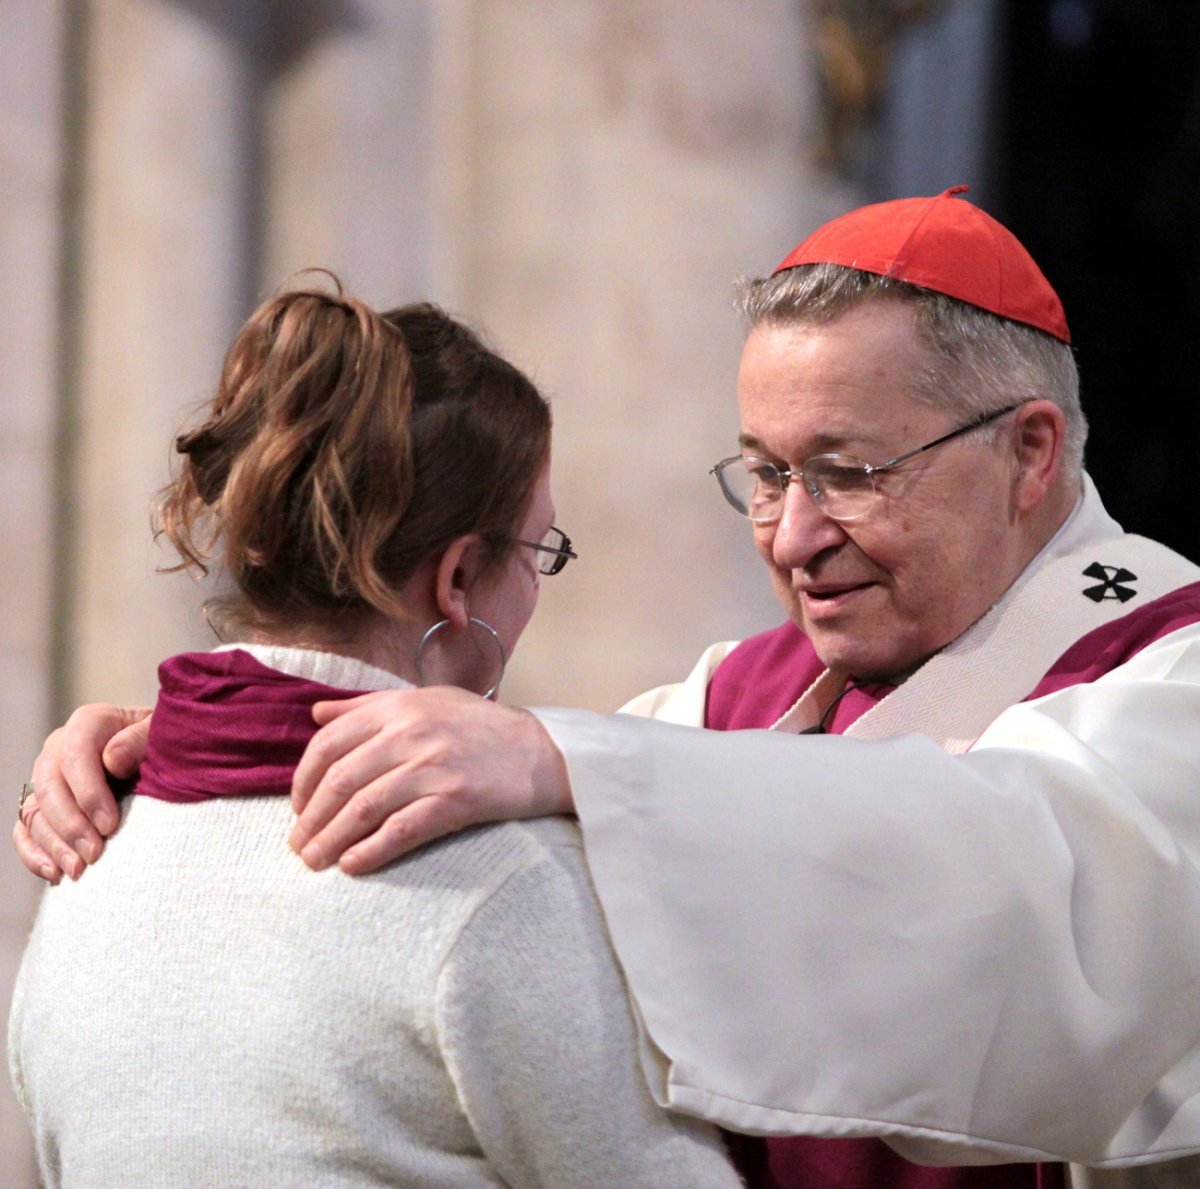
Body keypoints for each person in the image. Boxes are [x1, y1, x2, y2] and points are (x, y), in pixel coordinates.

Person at [19, 191, 1200, 1188]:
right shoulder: (741, 700)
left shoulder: (1167, 666)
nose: (793, 538)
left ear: (1031, 451)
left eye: (846, 474)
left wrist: (566, 760)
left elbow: (1038, 881)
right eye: (763, 474)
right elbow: (488, 781)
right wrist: (188, 740)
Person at [8, 279, 743, 1187]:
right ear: (461, 576)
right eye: (538, 551)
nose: (537, 589)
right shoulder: (497, 883)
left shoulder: (90, 863)